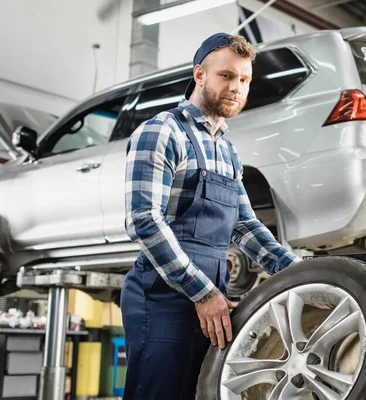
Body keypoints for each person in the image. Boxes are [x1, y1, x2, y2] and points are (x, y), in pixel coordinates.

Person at [120, 33, 301, 400]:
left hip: (214, 292)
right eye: (227, 76)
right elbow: (143, 219)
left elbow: (245, 226)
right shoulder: (162, 131)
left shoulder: (228, 151)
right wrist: (203, 293)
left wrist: (299, 271)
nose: (237, 87)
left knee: (203, 392)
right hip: (164, 295)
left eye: (245, 80)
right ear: (200, 74)